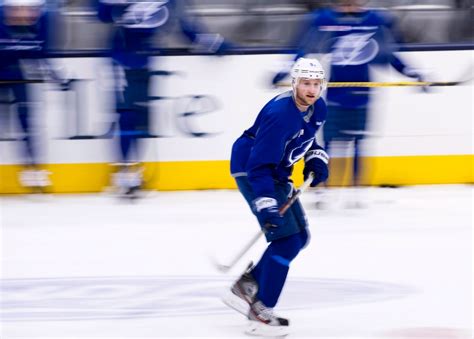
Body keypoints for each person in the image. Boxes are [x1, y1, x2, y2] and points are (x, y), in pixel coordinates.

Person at [272, 0, 426, 208]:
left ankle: (356, 190)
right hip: (336, 96)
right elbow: (303, 48)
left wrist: (413, 73)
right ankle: (322, 190)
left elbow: (390, 54)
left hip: (362, 95)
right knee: (327, 144)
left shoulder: (375, 21)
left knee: (358, 143)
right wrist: (284, 70)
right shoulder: (325, 20)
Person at [224, 57, 329, 336]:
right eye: (305, 83)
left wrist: (315, 158)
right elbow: (259, 165)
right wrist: (266, 202)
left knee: (300, 238)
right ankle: (260, 310)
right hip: (253, 170)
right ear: (294, 83)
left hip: (276, 172)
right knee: (286, 241)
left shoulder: (318, 107)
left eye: (316, 84)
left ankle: (247, 285)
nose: (311, 89)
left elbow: (305, 140)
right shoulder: (280, 115)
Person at [96, 0, 228, 198]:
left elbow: (184, 25)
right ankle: (124, 172)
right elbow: (101, 13)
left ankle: (134, 171)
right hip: (120, 60)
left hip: (145, 60)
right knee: (127, 115)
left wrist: (211, 42)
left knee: (142, 118)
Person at [0, 0, 58, 191]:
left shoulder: (42, 22)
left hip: (16, 72)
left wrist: (52, 72)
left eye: (30, 11)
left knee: (27, 120)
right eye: (16, 10)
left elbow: (41, 52)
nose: (23, 15)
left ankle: (33, 167)